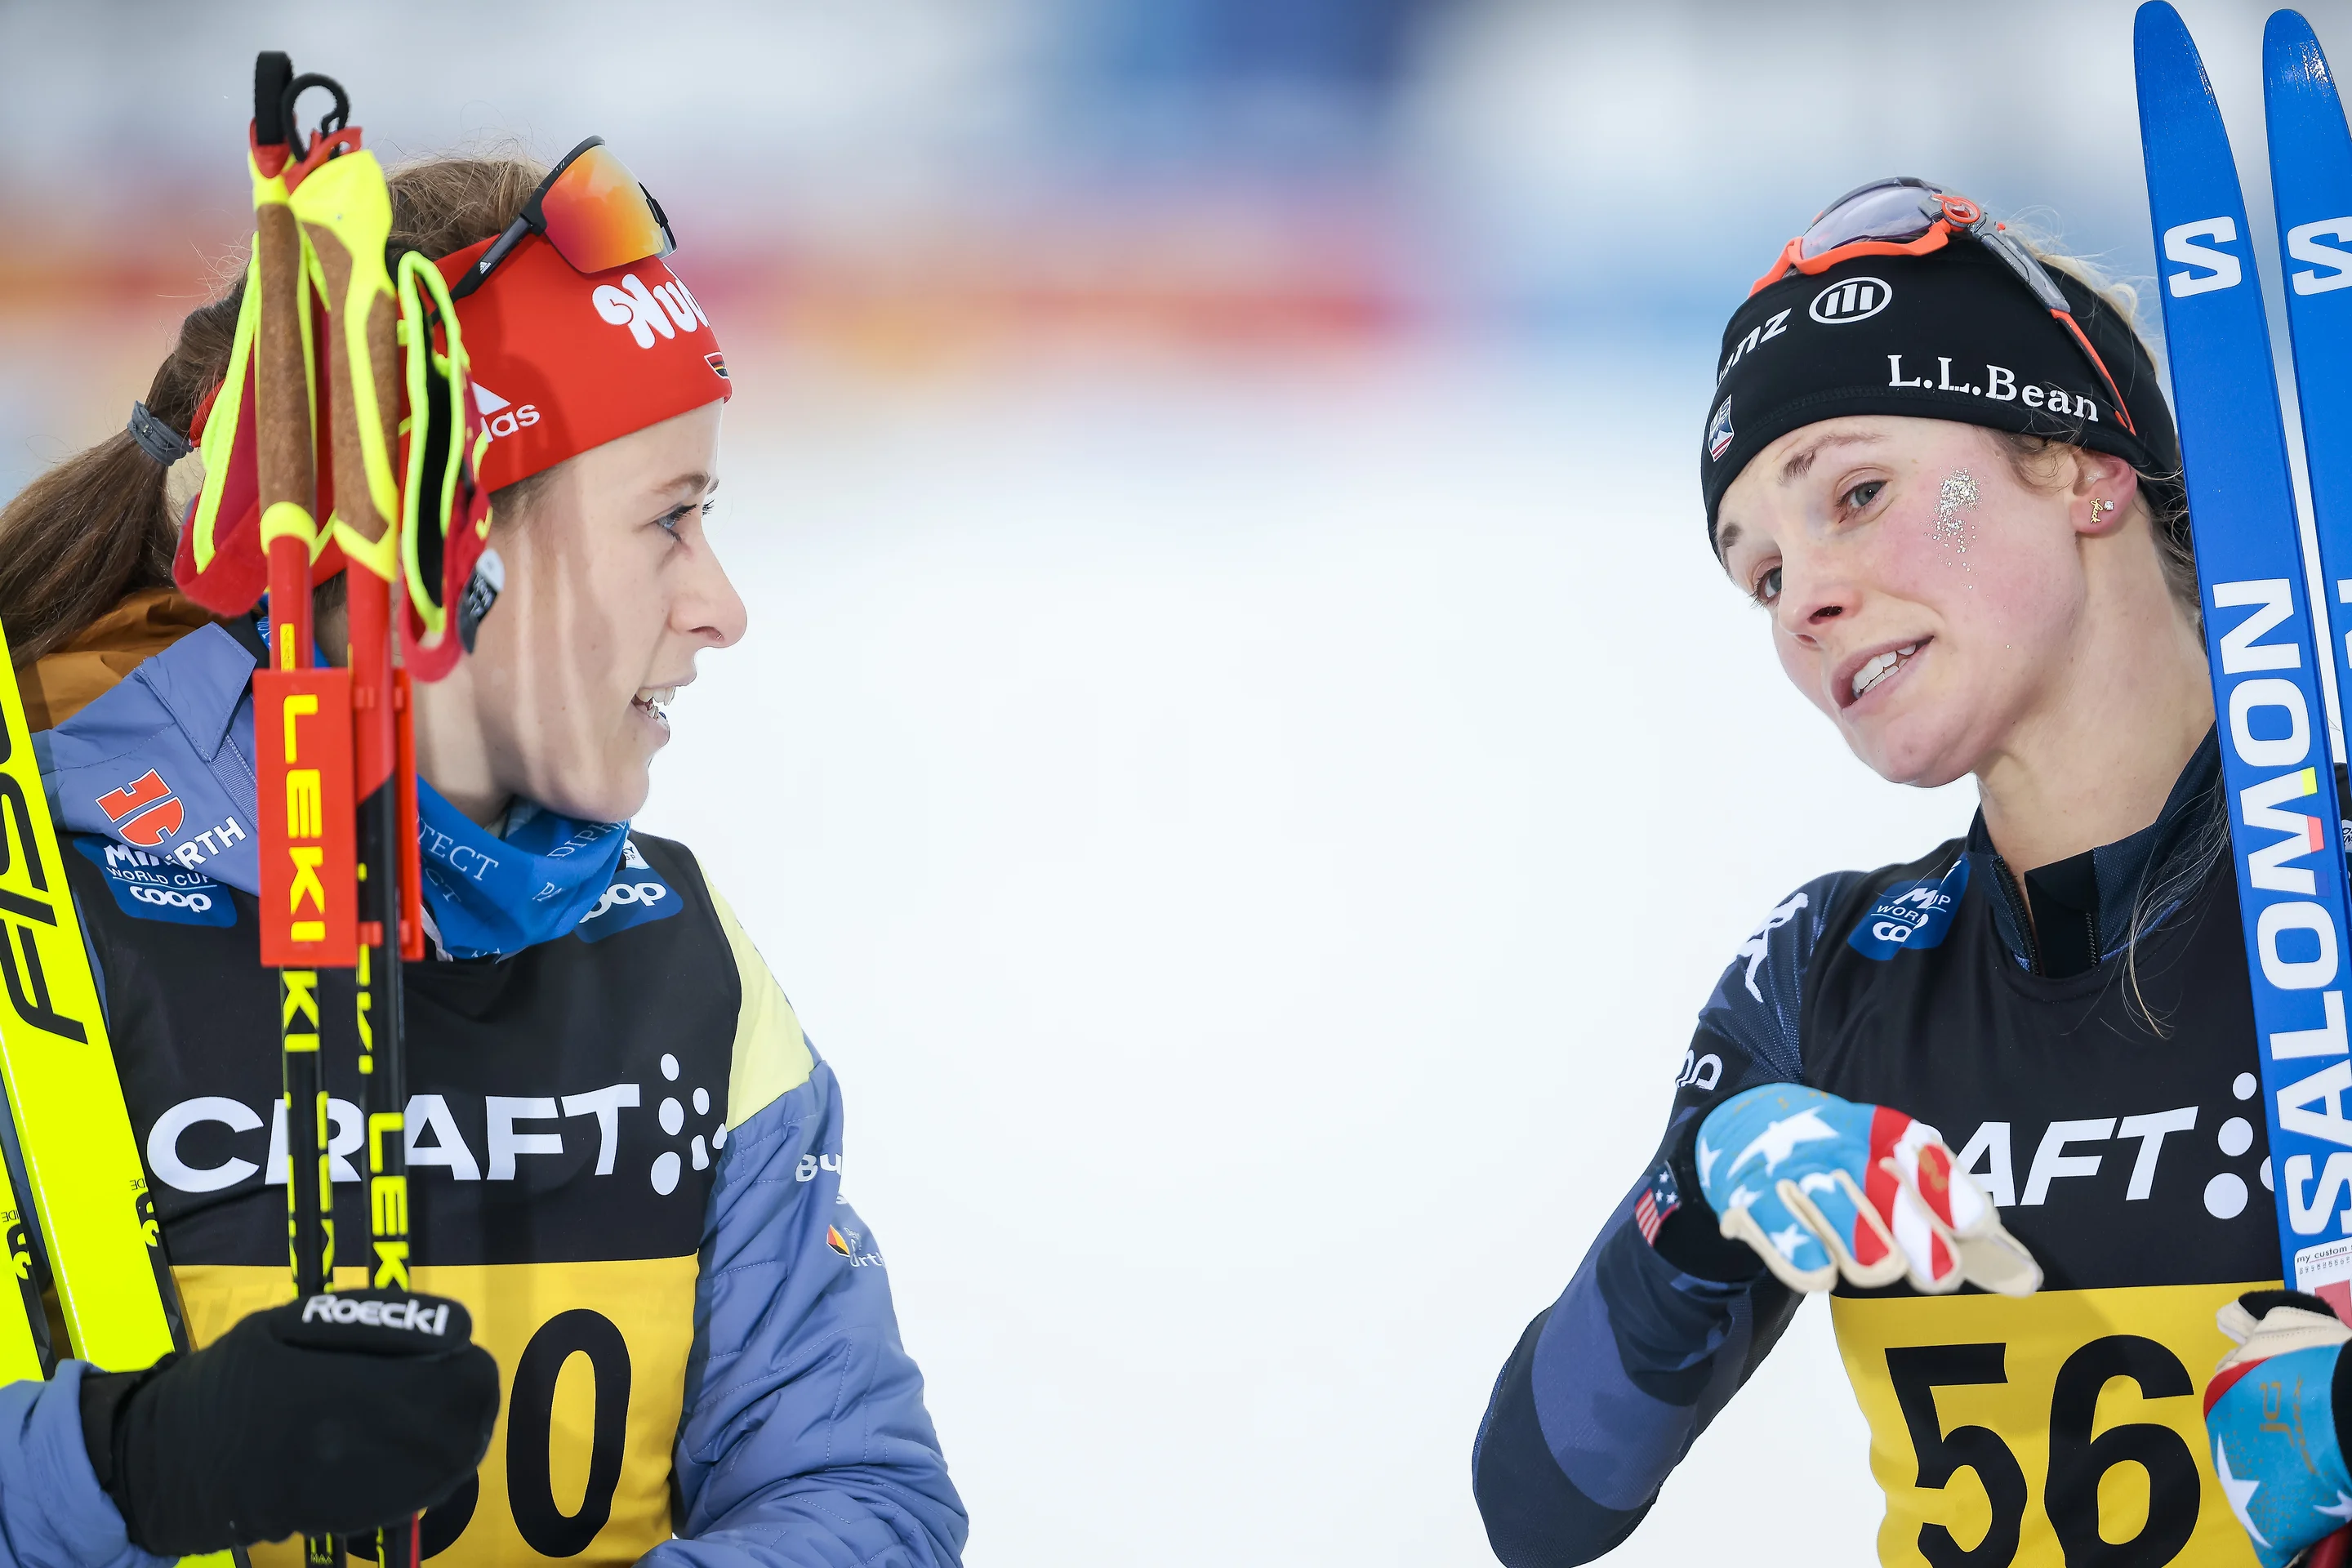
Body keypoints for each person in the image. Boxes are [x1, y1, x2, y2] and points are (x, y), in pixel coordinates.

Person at [0, 149, 966, 1567]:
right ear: (446, 564)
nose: (721, 606)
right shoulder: (48, 915)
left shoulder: (678, 958)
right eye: (666, 521)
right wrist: (130, 1466)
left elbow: (863, 1499)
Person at [1469, 176, 2345, 1567]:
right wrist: (1701, 1200)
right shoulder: (1835, 978)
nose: (1804, 598)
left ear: (2081, 465)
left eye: (1857, 494)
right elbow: (1541, 1498)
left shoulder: (2334, 910)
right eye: (1760, 574)